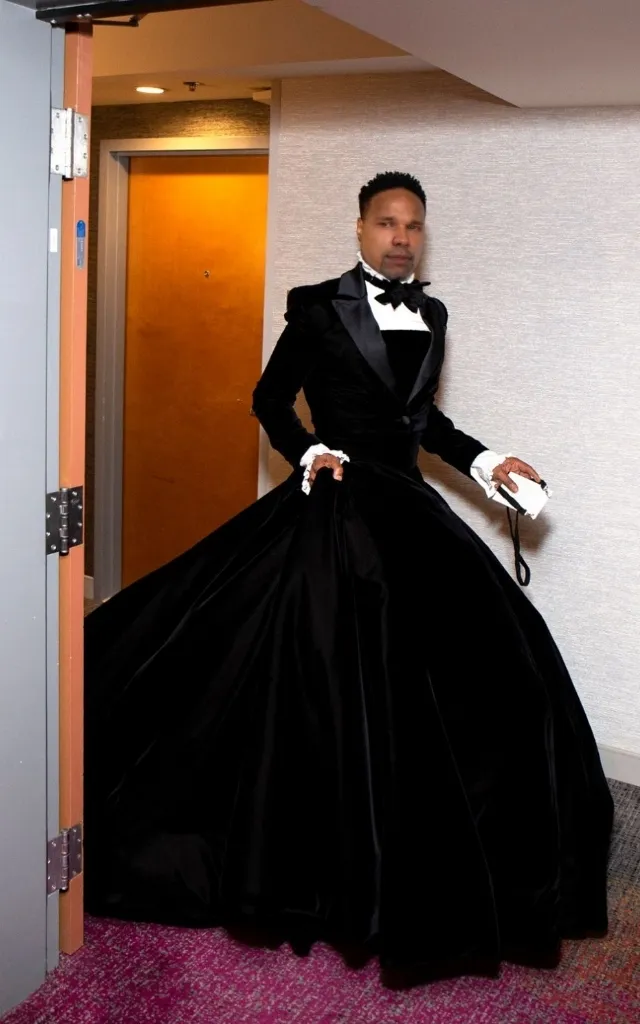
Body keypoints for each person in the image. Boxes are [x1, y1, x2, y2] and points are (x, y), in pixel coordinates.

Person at [84, 171, 613, 986]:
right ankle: (320, 871)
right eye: (386, 223)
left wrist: (487, 461)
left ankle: (440, 862)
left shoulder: (433, 314)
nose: (400, 238)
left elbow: (423, 422)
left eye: (413, 227)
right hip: (336, 505)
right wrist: (309, 452)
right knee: (317, 681)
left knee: (492, 676)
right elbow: (268, 400)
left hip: (410, 509)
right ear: (360, 230)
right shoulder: (315, 304)